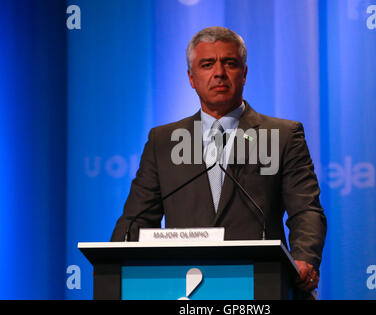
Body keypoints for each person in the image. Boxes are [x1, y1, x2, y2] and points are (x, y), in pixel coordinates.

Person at [111, 26, 326, 298]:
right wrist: (114, 269)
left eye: (230, 63)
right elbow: (136, 220)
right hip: (182, 289)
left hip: (261, 285)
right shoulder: (163, 141)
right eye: (207, 64)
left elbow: (306, 209)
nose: (219, 73)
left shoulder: (282, 135)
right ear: (191, 77)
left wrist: (304, 258)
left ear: (244, 73)